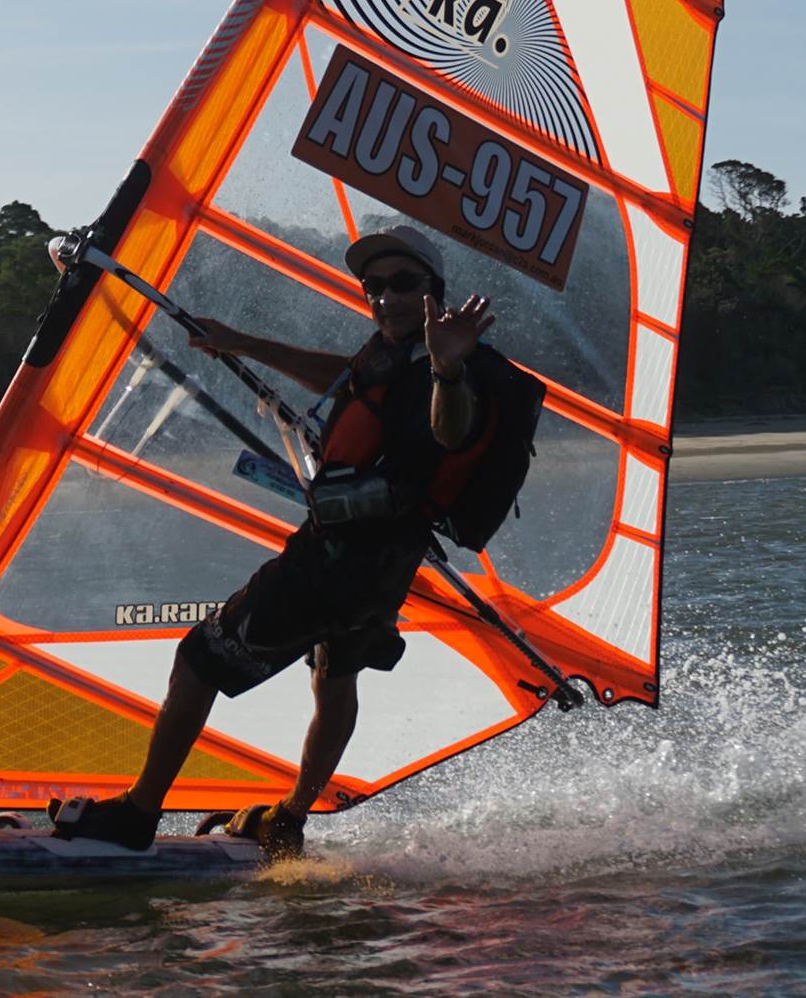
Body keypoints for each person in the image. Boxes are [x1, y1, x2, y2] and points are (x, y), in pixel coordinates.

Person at [48, 224, 517, 859]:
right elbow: (346, 377)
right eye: (374, 286)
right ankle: (288, 819)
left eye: (404, 284)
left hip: (336, 563)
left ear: (435, 289)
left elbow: (451, 432)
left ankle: (137, 814)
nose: (386, 297)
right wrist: (243, 343)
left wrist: (448, 368)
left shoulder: (450, 363)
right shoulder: (390, 354)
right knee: (336, 674)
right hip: (381, 567)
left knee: (199, 657)